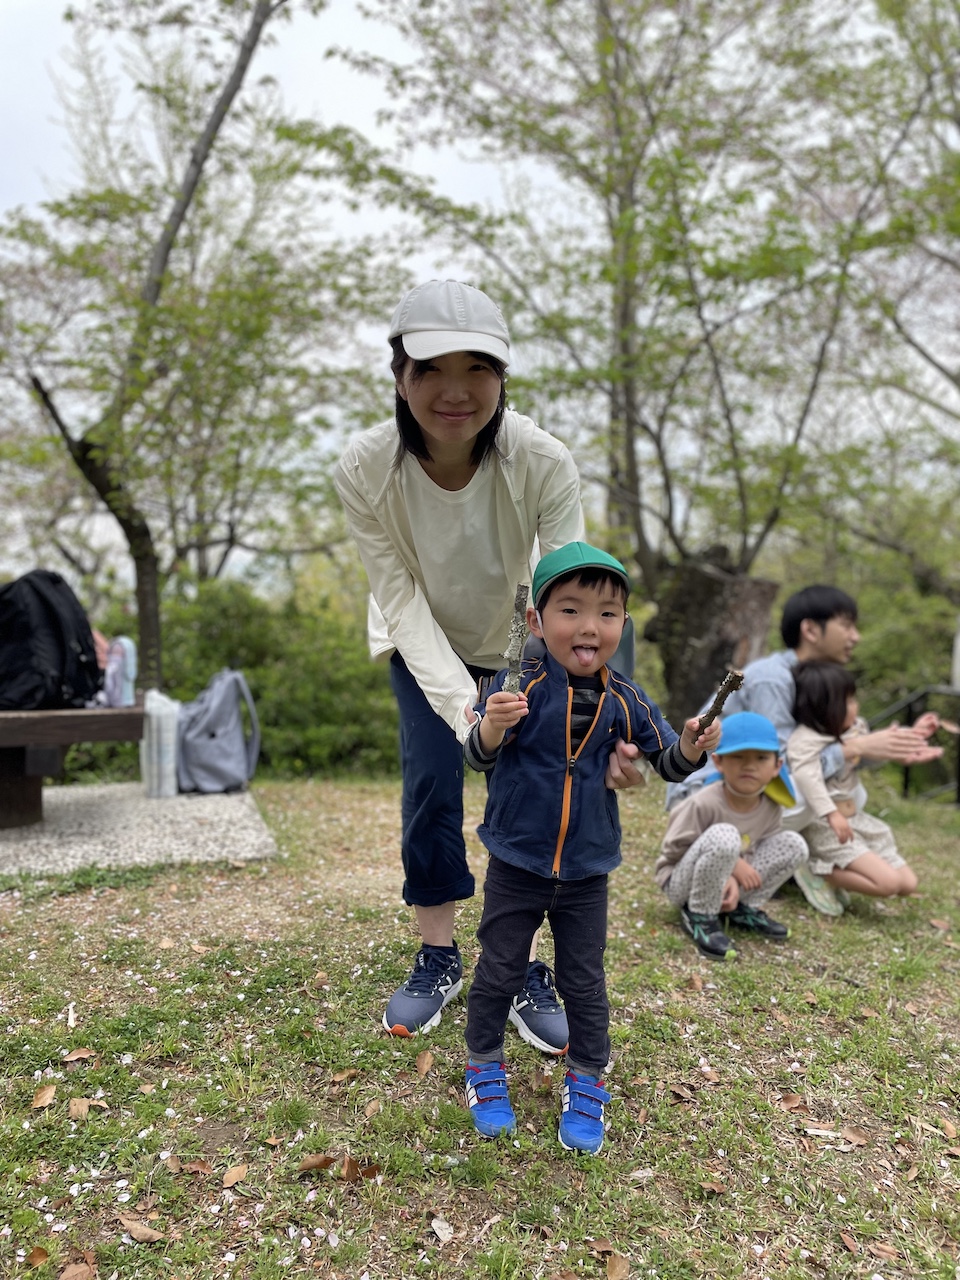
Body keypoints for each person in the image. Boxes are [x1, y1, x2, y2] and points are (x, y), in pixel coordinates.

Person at [334, 280, 647, 1047]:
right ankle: (438, 955)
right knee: (431, 788)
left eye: (477, 369)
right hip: (424, 640)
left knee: (538, 792)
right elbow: (399, 596)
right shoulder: (364, 468)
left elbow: (570, 591)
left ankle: (522, 963)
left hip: (524, 644)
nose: (456, 391)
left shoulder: (542, 460)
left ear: (502, 378)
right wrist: (463, 709)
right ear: (399, 376)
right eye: (432, 369)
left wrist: (598, 722)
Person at [461, 542, 719, 1153]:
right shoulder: (514, 686)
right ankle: (483, 1065)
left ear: (623, 625)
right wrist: (492, 725)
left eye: (606, 614)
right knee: (499, 968)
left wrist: (691, 746)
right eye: (571, 610)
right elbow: (476, 756)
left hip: (586, 870)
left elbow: (667, 760)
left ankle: (586, 1080)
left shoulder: (626, 697)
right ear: (536, 621)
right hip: (516, 861)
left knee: (584, 982)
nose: (589, 627)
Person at [664, 584, 941, 912]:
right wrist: (856, 747)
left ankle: (798, 860)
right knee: (809, 791)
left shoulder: (819, 678)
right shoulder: (773, 679)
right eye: (846, 625)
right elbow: (779, 765)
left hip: (754, 788)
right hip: (709, 794)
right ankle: (776, 862)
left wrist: (884, 749)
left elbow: (827, 751)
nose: (856, 637)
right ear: (810, 629)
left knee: (843, 796)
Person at [656, 712, 808, 960]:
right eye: (738, 756)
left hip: (727, 881)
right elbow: (674, 851)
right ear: (718, 762)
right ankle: (700, 915)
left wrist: (733, 878)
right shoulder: (704, 802)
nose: (749, 766)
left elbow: (758, 850)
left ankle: (741, 908)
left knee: (794, 844)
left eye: (761, 757)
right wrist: (731, 866)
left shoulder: (771, 806)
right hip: (682, 883)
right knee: (725, 836)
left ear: (777, 766)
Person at [787, 661, 918, 908]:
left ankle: (834, 872)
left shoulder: (854, 730)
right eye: (848, 701)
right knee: (889, 884)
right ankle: (816, 871)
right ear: (823, 706)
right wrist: (830, 813)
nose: (856, 707)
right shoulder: (805, 740)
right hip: (827, 826)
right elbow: (807, 777)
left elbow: (870, 754)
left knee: (908, 884)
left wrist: (905, 742)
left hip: (855, 819)